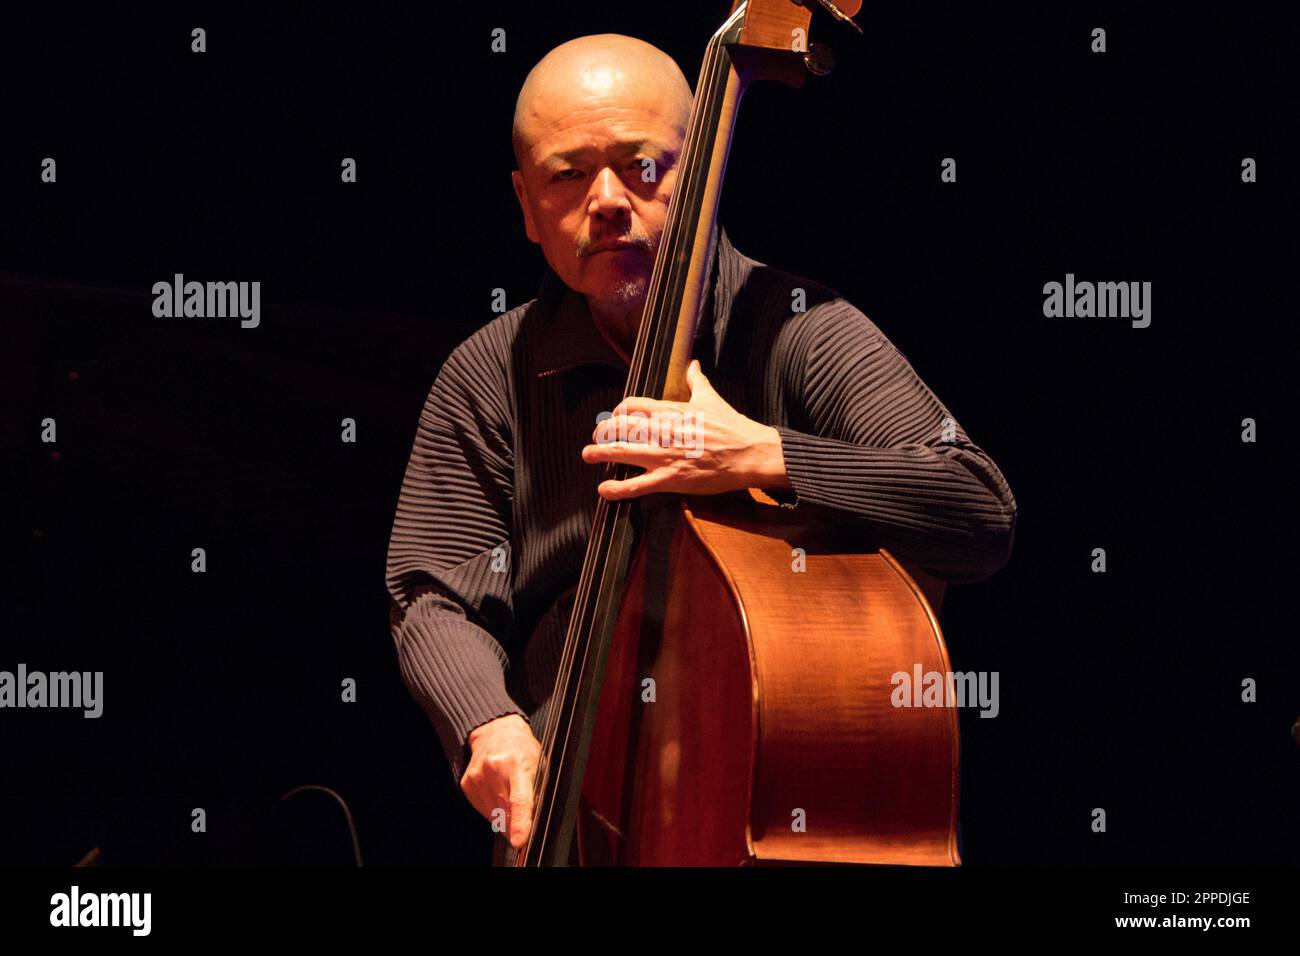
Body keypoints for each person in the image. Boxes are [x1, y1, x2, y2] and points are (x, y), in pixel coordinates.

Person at [384, 34, 1017, 866]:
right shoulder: (489, 373)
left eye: (644, 166)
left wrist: (769, 455)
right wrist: (489, 722)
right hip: (578, 829)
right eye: (568, 175)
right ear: (527, 205)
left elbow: (978, 507)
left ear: (704, 175)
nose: (607, 200)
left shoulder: (800, 329)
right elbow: (433, 593)